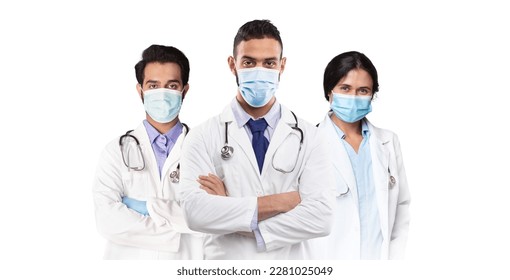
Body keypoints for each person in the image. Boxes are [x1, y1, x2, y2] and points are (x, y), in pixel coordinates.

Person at [178, 19, 334, 259]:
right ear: (233, 65)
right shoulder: (201, 136)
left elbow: (321, 218)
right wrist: (284, 202)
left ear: (282, 66)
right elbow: (195, 213)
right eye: (249, 62)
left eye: (269, 63)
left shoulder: (311, 137)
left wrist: (229, 208)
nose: (259, 71)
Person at [92, 44, 204, 259]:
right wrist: (179, 228)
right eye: (153, 86)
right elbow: (107, 221)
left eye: (171, 85)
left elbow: (218, 218)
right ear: (140, 90)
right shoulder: (116, 152)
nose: (162, 94)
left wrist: (148, 208)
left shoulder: (206, 149)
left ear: (184, 90)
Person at [311, 51, 410, 259]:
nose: (353, 97)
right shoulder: (307, 144)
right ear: (330, 92)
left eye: (363, 90)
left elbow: (401, 211)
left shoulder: (389, 142)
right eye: (345, 88)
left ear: (372, 95)